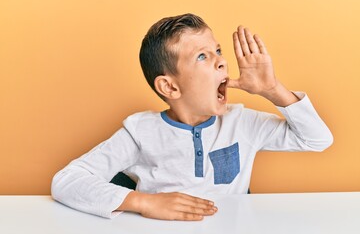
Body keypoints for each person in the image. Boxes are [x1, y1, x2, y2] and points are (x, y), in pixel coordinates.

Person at [51, 13, 333, 221]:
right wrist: (143, 202)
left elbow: (317, 140)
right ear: (170, 86)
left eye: (218, 51)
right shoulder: (140, 131)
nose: (222, 61)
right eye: (202, 56)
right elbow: (66, 181)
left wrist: (273, 90)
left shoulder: (242, 123)